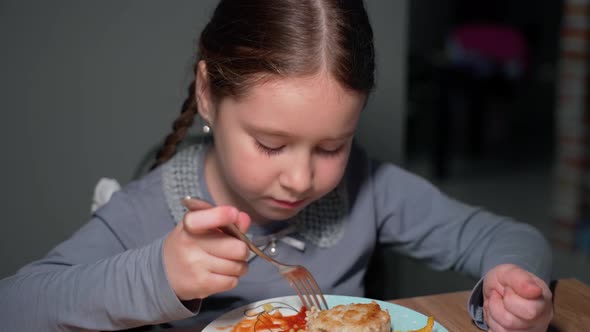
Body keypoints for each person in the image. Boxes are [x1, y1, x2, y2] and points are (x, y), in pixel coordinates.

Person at [0, 0, 553, 331]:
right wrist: (157, 274)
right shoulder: (146, 213)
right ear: (208, 94)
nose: (300, 178)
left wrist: (513, 290)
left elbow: (508, 237)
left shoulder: (371, 188)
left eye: (331, 147)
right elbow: (15, 307)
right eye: (270, 144)